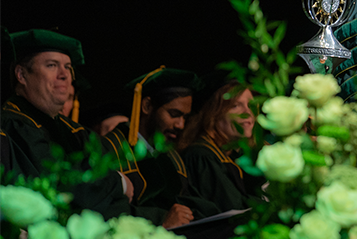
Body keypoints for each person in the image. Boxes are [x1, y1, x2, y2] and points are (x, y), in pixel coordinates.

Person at [1, 29, 134, 217]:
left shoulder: (78, 133)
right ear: (21, 75)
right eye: (52, 65)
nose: (64, 75)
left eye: (68, 67)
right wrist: (117, 182)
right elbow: (64, 187)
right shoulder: (14, 125)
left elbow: (118, 204)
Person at [103, 66, 221, 228]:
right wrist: (162, 221)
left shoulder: (172, 157)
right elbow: (107, 212)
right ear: (146, 106)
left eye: (185, 117)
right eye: (174, 114)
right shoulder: (110, 149)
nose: (180, 125)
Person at [178, 72, 267, 213]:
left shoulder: (234, 154)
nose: (247, 112)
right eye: (235, 106)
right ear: (214, 113)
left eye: (251, 105)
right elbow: (234, 207)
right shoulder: (202, 156)